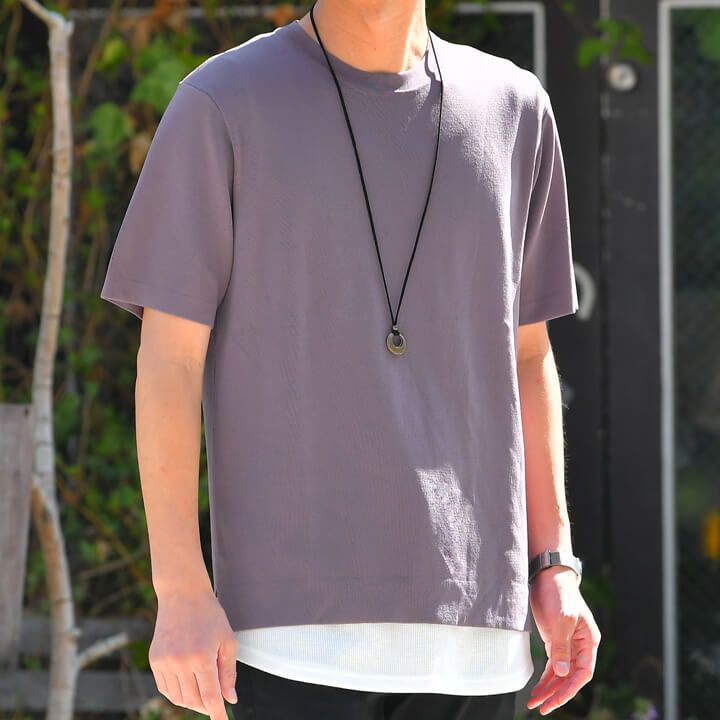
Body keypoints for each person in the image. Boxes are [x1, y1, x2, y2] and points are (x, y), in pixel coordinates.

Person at [100, 0, 601, 718]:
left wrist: (554, 565)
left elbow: (527, 355)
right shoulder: (221, 102)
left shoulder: (516, 108)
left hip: (478, 645)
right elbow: (169, 362)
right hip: (285, 641)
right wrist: (179, 588)